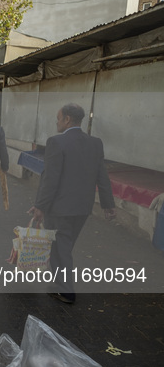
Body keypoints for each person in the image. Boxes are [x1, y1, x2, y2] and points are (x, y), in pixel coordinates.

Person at [29, 103, 115, 304]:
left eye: (58, 118)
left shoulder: (57, 142)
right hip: (82, 208)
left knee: (60, 249)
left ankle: (66, 291)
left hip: (59, 209)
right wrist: (107, 204)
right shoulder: (95, 143)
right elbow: (102, 176)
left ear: (67, 119)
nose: (56, 122)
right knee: (64, 247)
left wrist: (40, 206)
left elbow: (51, 178)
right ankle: (61, 283)